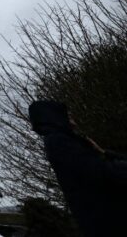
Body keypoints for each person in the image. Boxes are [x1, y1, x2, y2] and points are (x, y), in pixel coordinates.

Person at [28, 100, 127, 237]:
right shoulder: (59, 142)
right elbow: (100, 172)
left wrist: (104, 153)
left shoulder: (64, 141)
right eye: (67, 116)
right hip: (109, 222)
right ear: (55, 118)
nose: (73, 120)